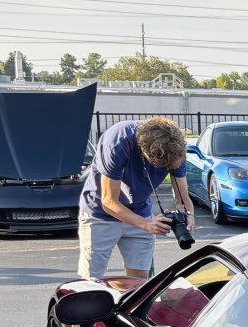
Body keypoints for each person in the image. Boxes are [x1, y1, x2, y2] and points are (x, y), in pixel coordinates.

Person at [78, 117, 192, 280]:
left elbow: (183, 200)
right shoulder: (118, 141)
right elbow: (109, 202)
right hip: (99, 214)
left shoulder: (176, 151)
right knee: (91, 278)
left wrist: (189, 216)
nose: (160, 168)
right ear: (143, 150)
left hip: (139, 211)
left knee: (139, 281)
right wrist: (146, 225)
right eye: (157, 163)